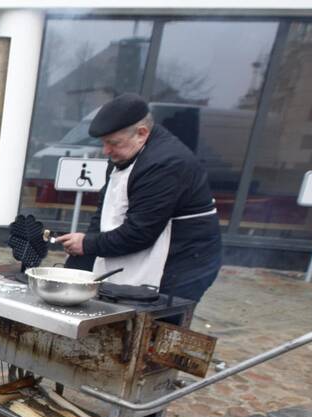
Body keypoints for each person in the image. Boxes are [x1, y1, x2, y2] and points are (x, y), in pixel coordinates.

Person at [57, 93, 222, 302]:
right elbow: (105, 209)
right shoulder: (127, 152)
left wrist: (87, 244)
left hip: (184, 262)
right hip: (147, 245)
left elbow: (140, 232)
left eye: (113, 143)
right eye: (103, 143)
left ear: (142, 133)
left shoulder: (166, 164)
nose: (106, 150)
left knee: (158, 323)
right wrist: (80, 262)